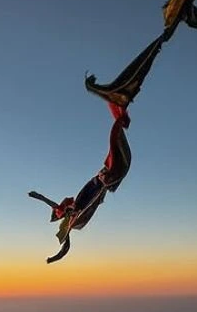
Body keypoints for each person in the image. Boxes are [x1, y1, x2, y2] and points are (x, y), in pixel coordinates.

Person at [28, 101, 132, 263]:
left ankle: (120, 119)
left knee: (111, 157)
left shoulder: (68, 210)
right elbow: (65, 248)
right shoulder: (72, 221)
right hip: (101, 187)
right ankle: (120, 120)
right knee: (112, 162)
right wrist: (53, 258)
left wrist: (37, 196)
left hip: (97, 184)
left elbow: (52, 204)